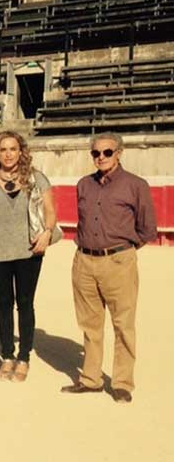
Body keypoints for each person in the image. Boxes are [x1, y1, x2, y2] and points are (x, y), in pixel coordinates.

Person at [62, 132, 157, 404]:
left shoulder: (136, 185)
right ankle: (90, 379)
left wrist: (123, 252)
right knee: (90, 325)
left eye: (107, 152)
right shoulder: (83, 184)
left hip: (118, 261)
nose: (101, 157)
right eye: (96, 153)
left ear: (119, 153)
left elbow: (148, 228)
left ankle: (122, 382)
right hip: (84, 261)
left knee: (123, 324)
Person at [0, 130, 56, 383]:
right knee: (4, 304)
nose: (8, 154)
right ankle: (7, 355)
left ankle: (24, 357)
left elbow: (50, 211)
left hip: (29, 250)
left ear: (21, 152)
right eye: (2, 150)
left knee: (26, 303)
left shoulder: (36, 179)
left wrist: (48, 232)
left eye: (12, 149)